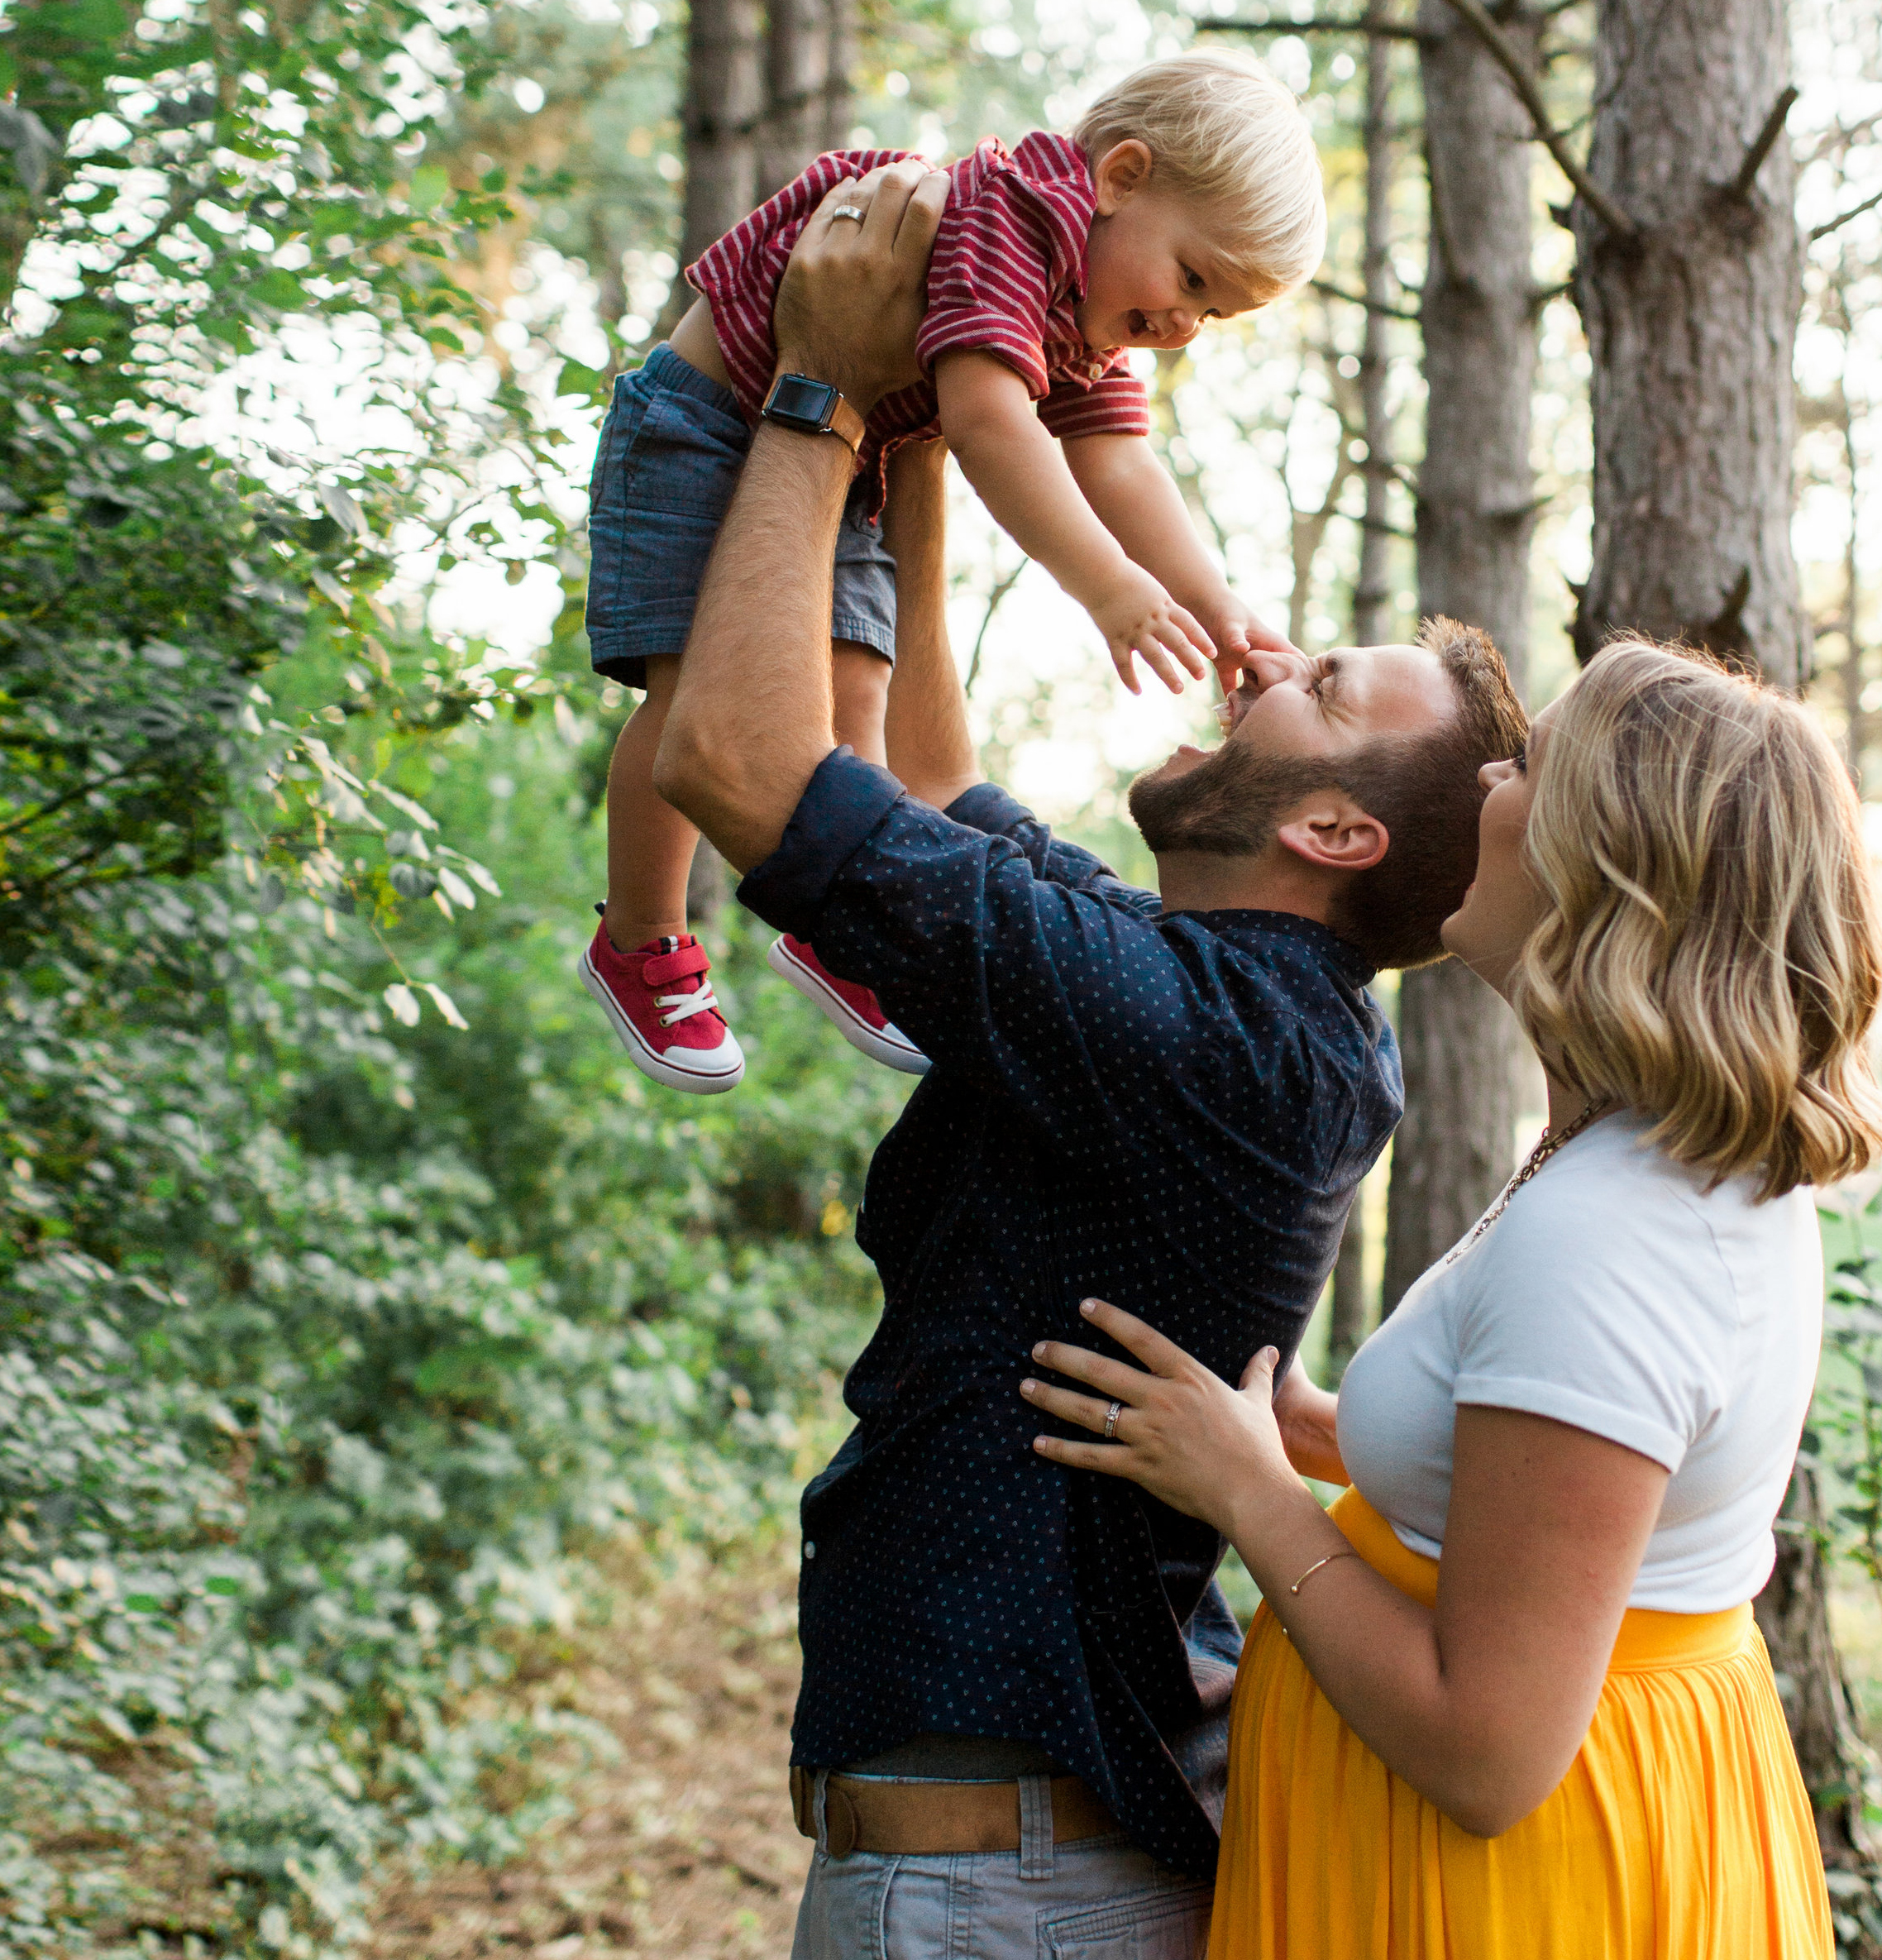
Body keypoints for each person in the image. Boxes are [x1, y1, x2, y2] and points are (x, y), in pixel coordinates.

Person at [649, 164, 1527, 1958]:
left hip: (994, 1895)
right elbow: (907, 798)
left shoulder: (1200, 1041)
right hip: (1016, 1870)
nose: (1260, 668)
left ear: (1342, 833)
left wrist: (814, 387)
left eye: (1324, 688)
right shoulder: (1211, 1000)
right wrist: (915, 433)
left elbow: (742, 767)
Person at [1020, 641, 1882, 1956]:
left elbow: (1487, 1753)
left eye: (1527, 763)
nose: (1487, 776)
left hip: (1509, 1892)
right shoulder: (1638, 1160)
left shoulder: (1618, 1237)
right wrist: (1301, 1426)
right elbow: (1535, 1485)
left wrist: (1251, 1493)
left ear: (1609, 864)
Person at [576, 50, 1326, 1096]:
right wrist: (1106, 587)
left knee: (857, 693)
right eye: (1192, 280)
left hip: (835, 459)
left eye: (1214, 316)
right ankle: (642, 938)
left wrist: (1219, 606)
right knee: (693, 688)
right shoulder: (1008, 224)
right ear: (1117, 178)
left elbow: (1116, 456)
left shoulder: (1089, 302)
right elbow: (985, 421)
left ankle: (838, 918)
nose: (1180, 328)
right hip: (703, 428)